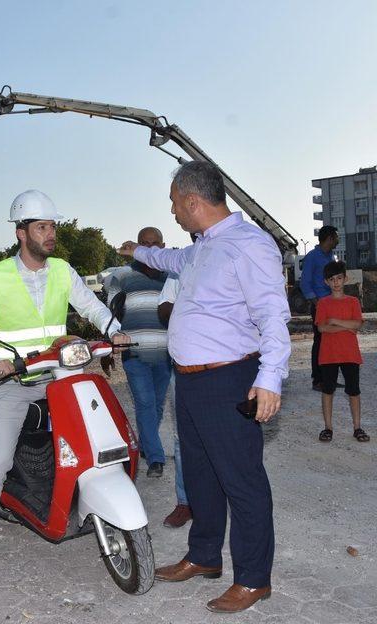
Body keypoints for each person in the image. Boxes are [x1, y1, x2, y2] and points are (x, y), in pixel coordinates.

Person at [119, 160, 291, 613]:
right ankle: (204, 556)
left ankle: (254, 579)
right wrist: (136, 250)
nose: (174, 212)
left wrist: (270, 378)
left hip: (229, 378)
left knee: (242, 480)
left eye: (175, 204)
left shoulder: (249, 245)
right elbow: (166, 258)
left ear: (192, 201)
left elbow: (274, 315)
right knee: (200, 474)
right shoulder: (199, 249)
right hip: (191, 382)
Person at [0, 189, 130, 576]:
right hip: (16, 380)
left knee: (96, 436)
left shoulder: (62, 270)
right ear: (22, 233)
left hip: (62, 373)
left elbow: (91, 306)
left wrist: (114, 330)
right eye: (42, 227)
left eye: (52, 226)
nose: (50, 233)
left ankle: (86, 497)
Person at [105, 227, 172, 478]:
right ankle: (156, 458)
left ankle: (145, 445)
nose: (149, 248)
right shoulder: (120, 275)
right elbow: (110, 313)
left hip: (166, 353)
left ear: (163, 246)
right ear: (136, 246)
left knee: (156, 407)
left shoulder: (173, 275)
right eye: (144, 243)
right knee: (145, 403)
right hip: (134, 353)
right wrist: (111, 340)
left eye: (155, 244)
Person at [315, 261, 369, 443]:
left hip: (350, 354)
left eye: (339, 278)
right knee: (328, 390)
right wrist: (348, 327)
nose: (336, 282)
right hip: (329, 354)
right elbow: (322, 329)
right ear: (326, 282)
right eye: (332, 279)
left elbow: (358, 324)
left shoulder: (353, 302)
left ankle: (357, 427)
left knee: (354, 391)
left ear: (345, 279)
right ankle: (328, 427)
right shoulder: (322, 303)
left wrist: (334, 321)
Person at [157, 271, 192, 528]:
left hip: (225, 365)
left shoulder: (233, 255)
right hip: (183, 366)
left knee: (223, 436)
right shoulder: (181, 266)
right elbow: (164, 307)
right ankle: (185, 502)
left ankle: (221, 499)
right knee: (183, 436)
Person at [300, 225, 339, 391]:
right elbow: (305, 283)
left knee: (333, 342)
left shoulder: (332, 257)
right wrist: (318, 304)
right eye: (336, 237)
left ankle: (330, 379)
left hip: (334, 304)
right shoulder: (312, 257)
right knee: (320, 342)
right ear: (330, 238)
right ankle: (318, 380)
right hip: (321, 306)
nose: (338, 240)